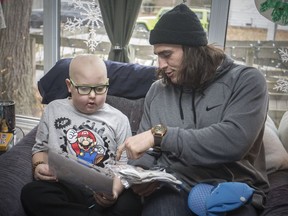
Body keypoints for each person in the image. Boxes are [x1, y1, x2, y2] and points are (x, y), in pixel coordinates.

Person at [116, 4, 269, 216]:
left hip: (232, 187)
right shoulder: (157, 91)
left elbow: (234, 141)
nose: (160, 65)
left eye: (167, 54)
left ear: (193, 50)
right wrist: (141, 173)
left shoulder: (247, 81)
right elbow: (148, 151)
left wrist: (160, 135)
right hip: (175, 186)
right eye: (158, 56)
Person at [21, 54, 142, 216]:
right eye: (84, 89)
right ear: (69, 86)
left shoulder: (119, 120)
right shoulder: (53, 109)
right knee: (31, 193)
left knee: (131, 204)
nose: (93, 95)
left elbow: (123, 167)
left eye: (100, 88)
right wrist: (38, 166)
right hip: (64, 187)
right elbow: (40, 148)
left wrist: (114, 192)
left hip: (102, 192)